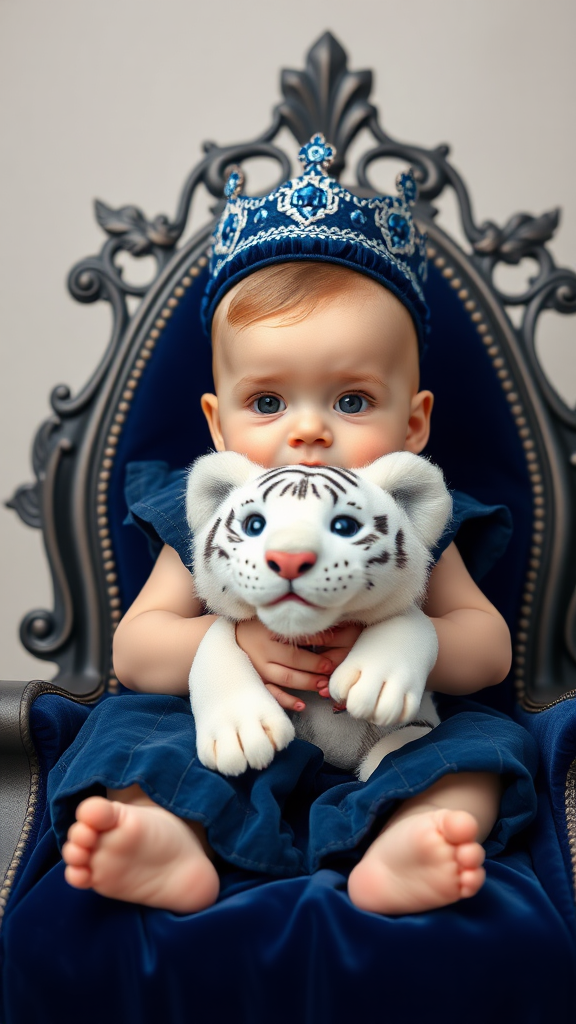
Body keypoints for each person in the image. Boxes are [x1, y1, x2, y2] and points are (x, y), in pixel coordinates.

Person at [53, 136, 537, 918]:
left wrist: (407, 644)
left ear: (413, 425)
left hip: (387, 736)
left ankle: (414, 835)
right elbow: (137, 652)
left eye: (350, 401)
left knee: (482, 752)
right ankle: (164, 836)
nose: (307, 432)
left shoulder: (412, 519)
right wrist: (231, 644)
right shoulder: (209, 514)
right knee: (133, 737)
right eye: (269, 403)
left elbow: (487, 650)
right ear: (217, 423)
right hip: (225, 730)